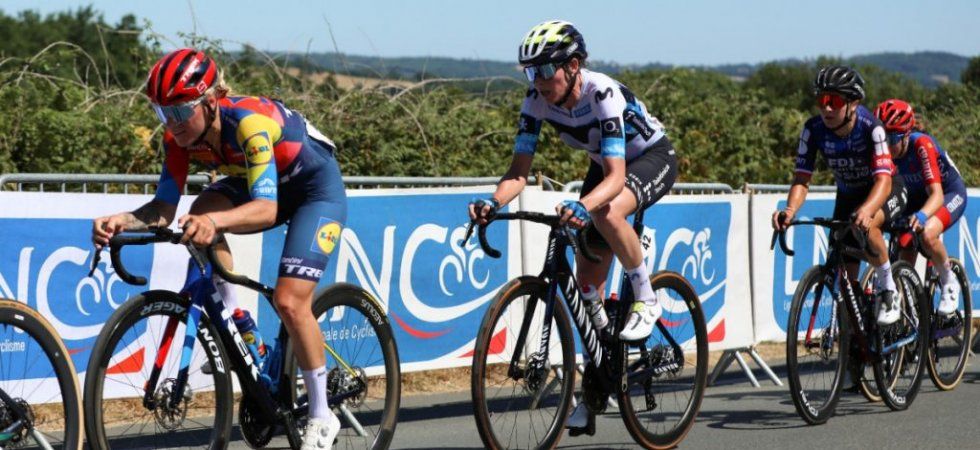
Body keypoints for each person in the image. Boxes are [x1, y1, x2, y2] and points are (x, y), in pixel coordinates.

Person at [91, 48, 345, 449]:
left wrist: (215, 223)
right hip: (261, 184)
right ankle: (240, 322)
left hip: (314, 190)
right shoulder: (178, 138)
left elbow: (266, 209)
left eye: (179, 111)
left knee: (290, 301)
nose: (171, 123)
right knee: (198, 210)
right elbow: (163, 209)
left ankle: (320, 414)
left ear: (210, 101)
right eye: (162, 112)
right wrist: (123, 219)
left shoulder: (249, 124)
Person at [468, 20, 678, 432]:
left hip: (649, 158)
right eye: (531, 72)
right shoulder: (536, 100)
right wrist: (492, 202)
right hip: (605, 165)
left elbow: (615, 179)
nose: (538, 80)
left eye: (546, 70)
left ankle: (646, 297)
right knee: (587, 293)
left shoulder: (601, 93)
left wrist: (583, 205)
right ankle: (596, 390)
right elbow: (519, 172)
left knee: (606, 212)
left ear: (574, 66)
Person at [772, 65, 907, 326]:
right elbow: (802, 179)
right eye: (821, 100)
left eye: (833, 101)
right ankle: (856, 330)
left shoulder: (872, 128)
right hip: (848, 196)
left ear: (853, 103)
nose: (826, 108)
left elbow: (883, 180)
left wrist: (868, 210)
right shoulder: (813, 130)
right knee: (845, 272)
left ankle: (889, 290)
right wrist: (789, 210)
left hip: (884, 189)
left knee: (869, 226)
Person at [875, 99, 967, 314]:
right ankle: (911, 308)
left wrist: (923, 216)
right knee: (904, 244)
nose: (886, 146)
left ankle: (949, 281)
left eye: (892, 139)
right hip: (915, 197)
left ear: (906, 135)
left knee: (927, 234)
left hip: (948, 193)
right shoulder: (883, 151)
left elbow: (936, 195)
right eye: (882, 139)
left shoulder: (921, 145)